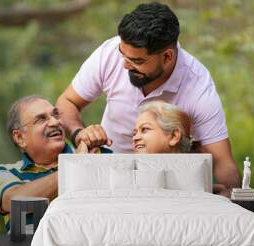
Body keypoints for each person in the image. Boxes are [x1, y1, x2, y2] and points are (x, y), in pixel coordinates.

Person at [56, 2, 240, 190]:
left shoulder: (198, 86)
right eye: (122, 54)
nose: (125, 65)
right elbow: (66, 103)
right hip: (109, 179)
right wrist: (79, 134)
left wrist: (234, 201)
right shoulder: (108, 54)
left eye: (137, 61)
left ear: (167, 57)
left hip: (167, 186)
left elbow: (222, 163)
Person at [0, 96, 111, 232]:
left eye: (55, 115)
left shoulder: (96, 154)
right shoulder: (6, 172)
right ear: (20, 137)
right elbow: (14, 202)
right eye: (41, 119)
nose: (55, 122)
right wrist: (76, 165)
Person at [133, 100, 230, 197]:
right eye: (134, 133)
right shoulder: (133, 175)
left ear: (174, 136)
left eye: (144, 129)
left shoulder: (198, 178)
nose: (135, 137)